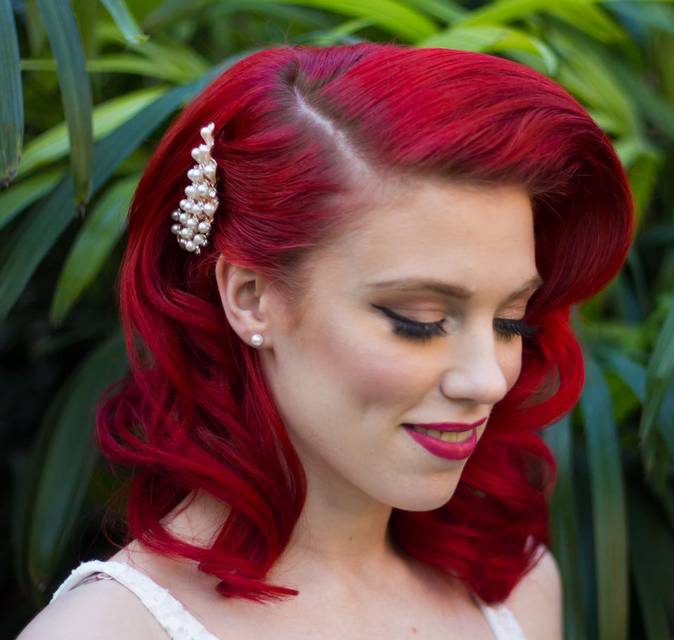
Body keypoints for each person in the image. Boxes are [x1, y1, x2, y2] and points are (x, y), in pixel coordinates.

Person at [18, 43, 634, 639]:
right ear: (251, 297)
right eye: (419, 320)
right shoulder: (108, 631)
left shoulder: (518, 590)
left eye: (510, 321)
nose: (489, 379)